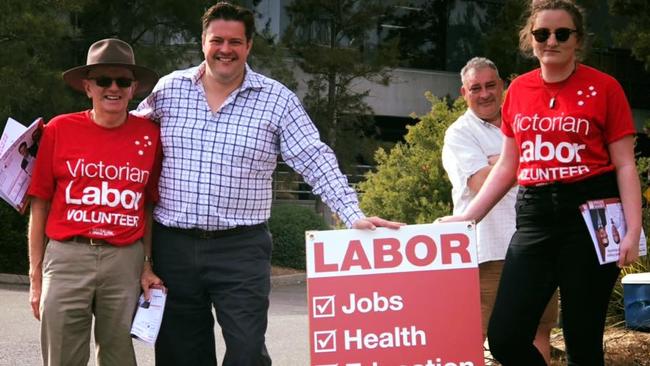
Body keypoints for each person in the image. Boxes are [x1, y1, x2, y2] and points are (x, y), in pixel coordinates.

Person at [134, 2, 402, 366]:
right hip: (174, 247)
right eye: (217, 40)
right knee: (181, 354)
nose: (225, 49)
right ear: (202, 41)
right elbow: (126, 135)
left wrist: (352, 214)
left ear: (249, 46)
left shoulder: (277, 100)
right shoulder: (169, 89)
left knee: (247, 353)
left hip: (241, 249)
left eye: (235, 41)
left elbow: (314, 157)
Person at [439, 1, 642, 365]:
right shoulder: (518, 90)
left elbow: (625, 165)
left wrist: (632, 231)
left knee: (583, 340)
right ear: (529, 39)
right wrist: (468, 218)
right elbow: (508, 167)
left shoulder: (605, 88)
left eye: (562, 33)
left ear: (578, 40)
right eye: (542, 33)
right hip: (534, 217)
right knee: (504, 338)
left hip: (590, 214)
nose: (551, 41)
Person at [27, 38, 163, 366]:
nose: (113, 88)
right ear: (88, 87)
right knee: (61, 357)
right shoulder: (59, 129)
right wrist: (35, 275)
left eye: (123, 81)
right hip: (66, 256)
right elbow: (40, 203)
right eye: (103, 80)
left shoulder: (150, 136)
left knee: (118, 357)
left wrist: (146, 264)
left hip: (123, 259)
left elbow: (148, 205)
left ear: (134, 89)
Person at [441, 56, 557, 365]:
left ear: (502, 85)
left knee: (539, 329)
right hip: (489, 250)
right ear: (463, 93)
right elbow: (481, 183)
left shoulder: (525, 120)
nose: (484, 94)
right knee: (475, 335)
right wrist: (522, 161)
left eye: (491, 85)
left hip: (537, 246)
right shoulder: (460, 134)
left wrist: (499, 161)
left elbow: (555, 166)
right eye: (475, 88)